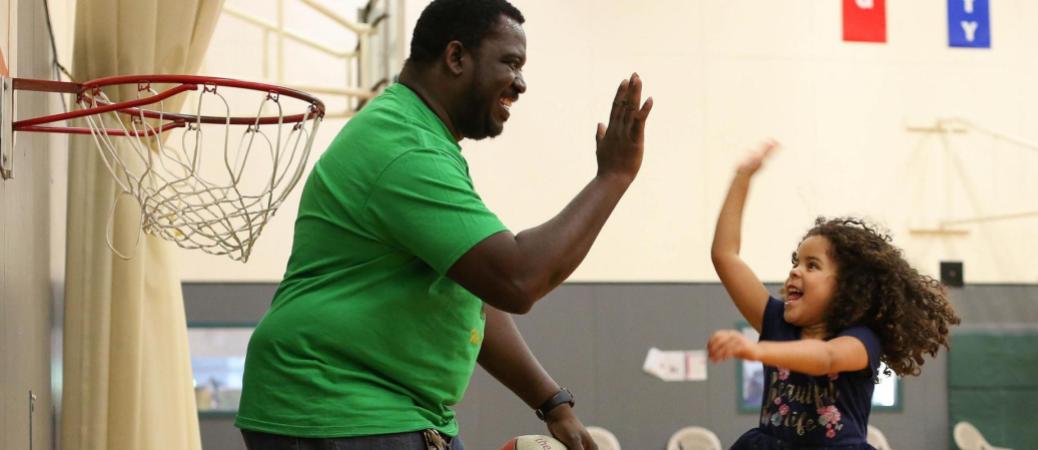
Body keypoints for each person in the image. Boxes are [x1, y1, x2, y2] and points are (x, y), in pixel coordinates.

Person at [235, 1, 653, 449]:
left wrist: (552, 402)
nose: (520, 83)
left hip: (380, 407)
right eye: (511, 63)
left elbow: (474, 291)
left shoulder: (418, 137)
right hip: (338, 406)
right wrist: (613, 176)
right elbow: (516, 278)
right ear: (456, 57)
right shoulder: (404, 146)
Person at [706, 141, 961, 449]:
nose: (795, 271)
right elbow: (725, 256)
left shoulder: (861, 340)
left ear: (847, 286)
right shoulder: (776, 322)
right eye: (796, 263)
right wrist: (742, 177)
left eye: (812, 265)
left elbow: (826, 358)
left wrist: (757, 351)